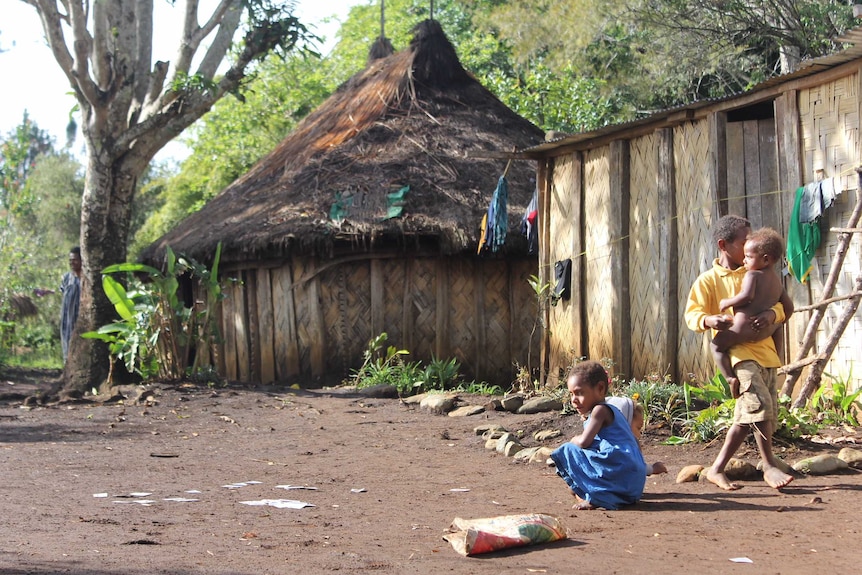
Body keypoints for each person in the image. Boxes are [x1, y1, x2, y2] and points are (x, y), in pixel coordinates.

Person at [684, 215, 793, 491]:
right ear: (724, 245)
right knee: (757, 406)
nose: (749, 247)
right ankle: (768, 466)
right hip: (738, 352)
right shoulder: (708, 281)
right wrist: (709, 320)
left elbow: (782, 306)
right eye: (744, 242)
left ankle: (717, 469)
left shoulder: (758, 271)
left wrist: (771, 314)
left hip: (767, 351)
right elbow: (692, 315)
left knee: (757, 414)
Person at [549, 361, 647, 510]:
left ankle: (595, 496)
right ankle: (600, 493)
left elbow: (584, 443)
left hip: (621, 471)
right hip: (632, 484)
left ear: (600, 389)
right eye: (571, 394)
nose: (574, 400)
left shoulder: (599, 411)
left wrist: (574, 439)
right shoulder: (613, 410)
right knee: (575, 482)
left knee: (567, 449)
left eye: (580, 393)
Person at [711, 227, 794, 392]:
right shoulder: (777, 282)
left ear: (765, 260)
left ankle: (729, 378)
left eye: (748, 257)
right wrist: (773, 319)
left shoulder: (752, 275)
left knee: (716, 345)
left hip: (742, 328)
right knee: (778, 326)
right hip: (763, 333)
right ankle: (777, 356)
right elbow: (789, 308)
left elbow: (746, 296)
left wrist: (727, 302)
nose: (744, 261)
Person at [605, 395, 668, 476]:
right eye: (638, 428)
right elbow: (633, 467)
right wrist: (652, 469)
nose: (639, 435)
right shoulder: (619, 449)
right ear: (623, 422)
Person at [60, 246, 82, 362]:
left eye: (75, 259)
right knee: (67, 342)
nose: (72, 262)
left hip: (81, 319)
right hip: (67, 319)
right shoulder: (66, 278)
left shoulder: (86, 279)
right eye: (70, 260)